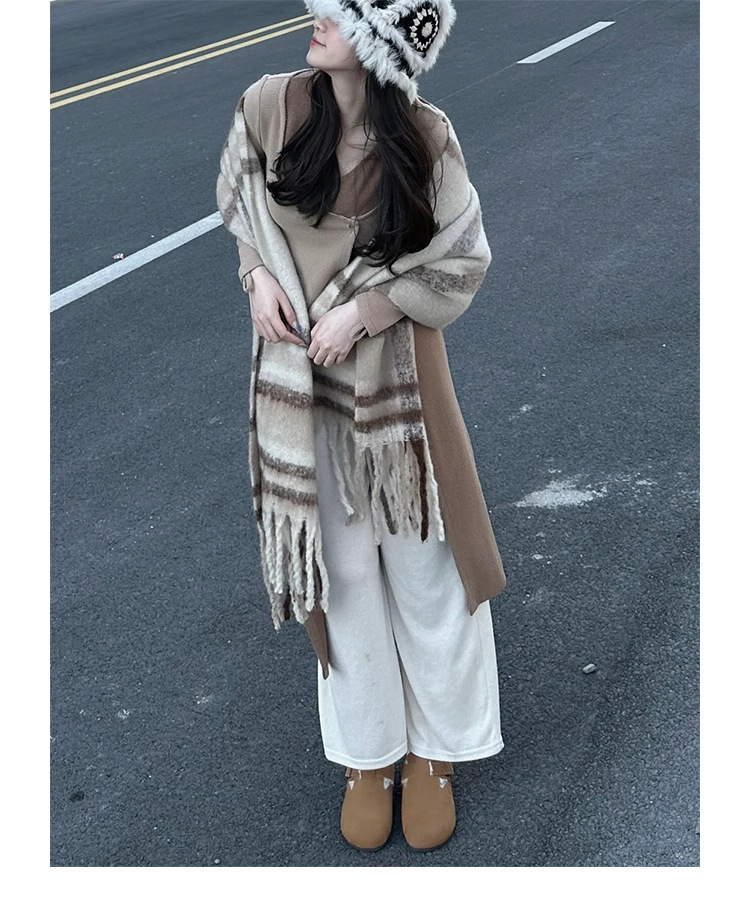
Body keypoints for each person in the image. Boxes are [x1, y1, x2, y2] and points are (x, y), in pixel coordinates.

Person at [217, 0, 506, 853]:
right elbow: (238, 198)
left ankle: (437, 749)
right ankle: (368, 754)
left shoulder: (425, 137)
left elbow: (463, 258)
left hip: (399, 393)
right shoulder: (270, 106)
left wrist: (369, 310)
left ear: (385, 46)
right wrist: (255, 277)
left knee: (423, 567)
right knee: (342, 578)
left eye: (341, 13)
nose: (315, 18)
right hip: (300, 389)